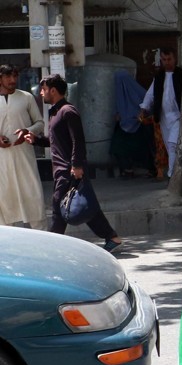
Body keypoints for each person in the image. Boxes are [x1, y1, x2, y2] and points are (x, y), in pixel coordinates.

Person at [20, 75, 123, 252]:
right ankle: (112, 237)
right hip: (62, 169)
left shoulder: (68, 111)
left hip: (69, 168)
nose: (41, 93)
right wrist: (36, 140)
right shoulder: (55, 112)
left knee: (58, 207)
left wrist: (76, 166)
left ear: (53, 90)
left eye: (43, 89)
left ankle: (53, 246)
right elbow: (56, 140)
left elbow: (78, 141)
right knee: (85, 204)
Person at [0, 64, 46, 229]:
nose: (12, 80)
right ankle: (8, 248)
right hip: (2, 160)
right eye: (8, 77)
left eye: (15, 76)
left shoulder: (26, 97)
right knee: (5, 200)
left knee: (33, 196)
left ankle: (43, 243)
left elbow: (40, 123)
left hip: (24, 155)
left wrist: (28, 131)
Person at [139, 47, 182, 178]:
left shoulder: (181, 74)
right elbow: (150, 94)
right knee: (169, 147)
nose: (167, 62)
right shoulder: (159, 76)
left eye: (169, 59)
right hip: (163, 116)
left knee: (173, 144)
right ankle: (175, 173)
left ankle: (171, 175)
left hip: (179, 116)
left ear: (175, 59)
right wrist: (143, 109)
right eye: (164, 60)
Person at [111, 69, 155, 178]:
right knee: (118, 147)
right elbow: (119, 107)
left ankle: (151, 169)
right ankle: (128, 169)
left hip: (139, 125)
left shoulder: (141, 92)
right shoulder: (119, 93)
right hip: (125, 125)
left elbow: (149, 104)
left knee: (143, 149)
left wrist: (140, 114)